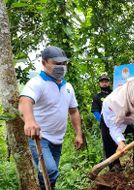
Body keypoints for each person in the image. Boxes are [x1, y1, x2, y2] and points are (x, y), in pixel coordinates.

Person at [18, 46, 83, 189]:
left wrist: (78, 134)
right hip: (40, 138)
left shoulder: (68, 87)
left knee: (49, 173)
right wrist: (29, 121)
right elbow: (25, 100)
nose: (61, 67)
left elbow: (73, 111)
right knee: (51, 171)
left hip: (58, 139)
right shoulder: (37, 83)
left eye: (64, 64)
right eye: (56, 63)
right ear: (44, 63)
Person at [91, 74, 112, 158]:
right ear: (99, 84)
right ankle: (113, 165)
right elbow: (95, 111)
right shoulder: (97, 97)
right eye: (102, 82)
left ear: (109, 83)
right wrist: (102, 121)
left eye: (106, 81)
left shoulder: (115, 92)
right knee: (108, 144)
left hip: (118, 121)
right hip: (105, 123)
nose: (104, 83)